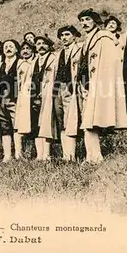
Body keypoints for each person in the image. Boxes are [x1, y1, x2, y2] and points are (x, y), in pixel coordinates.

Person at [76, 8, 127, 163]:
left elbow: (109, 64)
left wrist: (98, 83)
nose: (84, 23)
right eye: (82, 20)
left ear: (95, 21)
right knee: (87, 123)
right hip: (86, 85)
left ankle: (96, 156)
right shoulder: (87, 40)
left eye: (87, 19)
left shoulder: (103, 37)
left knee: (91, 122)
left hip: (97, 84)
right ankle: (91, 156)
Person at [52, 25, 83, 161]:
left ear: (74, 36)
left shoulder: (79, 50)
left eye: (67, 35)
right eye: (62, 36)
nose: (64, 38)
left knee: (70, 120)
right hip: (59, 89)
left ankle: (72, 155)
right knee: (61, 120)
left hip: (72, 89)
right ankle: (66, 156)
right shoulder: (58, 54)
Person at [31, 35, 57, 161]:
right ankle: (39, 155)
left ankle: (47, 154)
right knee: (36, 124)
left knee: (46, 123)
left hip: (48, 93)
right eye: (38, 44)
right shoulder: (34, 61)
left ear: (49, 45)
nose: (41, 46)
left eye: (43, 43)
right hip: (34, 95)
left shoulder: (54, 58)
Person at [0, 40, 20, 162]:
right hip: (2, 100)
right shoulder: (1, 64)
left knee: (17, 126)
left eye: (11, 46)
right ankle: (7, 155)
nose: (8, 49)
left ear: (16, 49)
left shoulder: (19, 62)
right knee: (5, 127)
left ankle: (19, 154)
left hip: (14, 98)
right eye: (5, 47)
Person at [14, 41, 36, 159]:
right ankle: (19, 152)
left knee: (32, 124)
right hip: (22, 97)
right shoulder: (19, 64)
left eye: (28, 48)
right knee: (20, 125)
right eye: (23, 49)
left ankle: (29, 151)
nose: (25, 51)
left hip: (33, 96)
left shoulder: (35, 62)